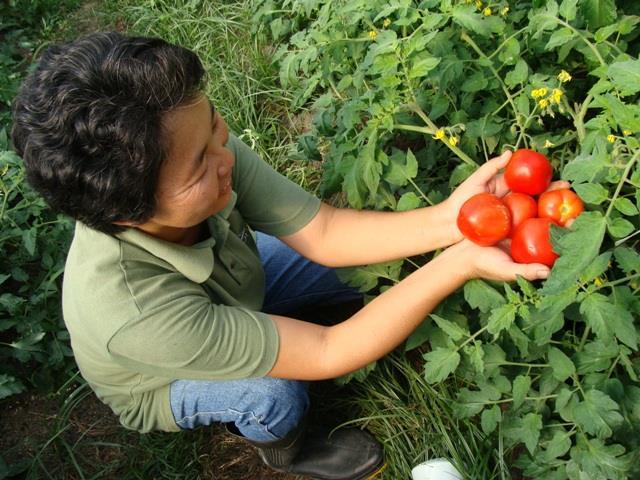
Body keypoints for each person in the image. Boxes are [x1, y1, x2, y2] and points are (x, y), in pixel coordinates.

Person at [11, 32, 557, 480]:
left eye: (215, 125)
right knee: (273, 394)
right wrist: (459, 262)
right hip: (160, 377)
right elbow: (326, 350)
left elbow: (324, 230)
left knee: (341, 265)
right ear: (130, 214)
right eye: (201, 164)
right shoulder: (131, 315)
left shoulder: (189, 144)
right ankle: (287, 449)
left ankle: (269, 325)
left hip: (232, 281)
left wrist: (451, 219)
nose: (225, 154)